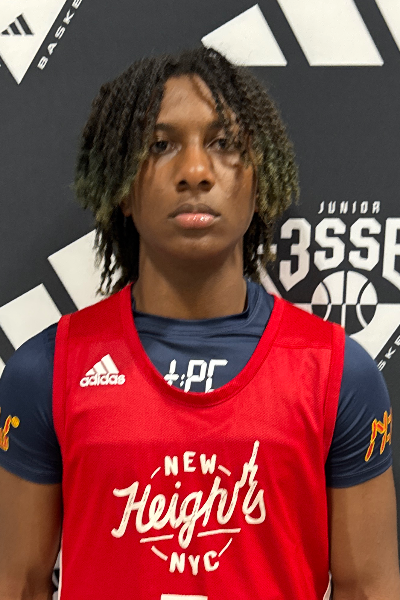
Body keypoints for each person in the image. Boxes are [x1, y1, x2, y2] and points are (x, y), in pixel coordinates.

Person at [0, 46, 399, 600]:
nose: (194, 172)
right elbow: (16, 584)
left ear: (260, 178)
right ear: (121, 188)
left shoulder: (337, 374)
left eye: (224, 143)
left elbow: (369, 587)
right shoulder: (46, 371)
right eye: (159, 146)